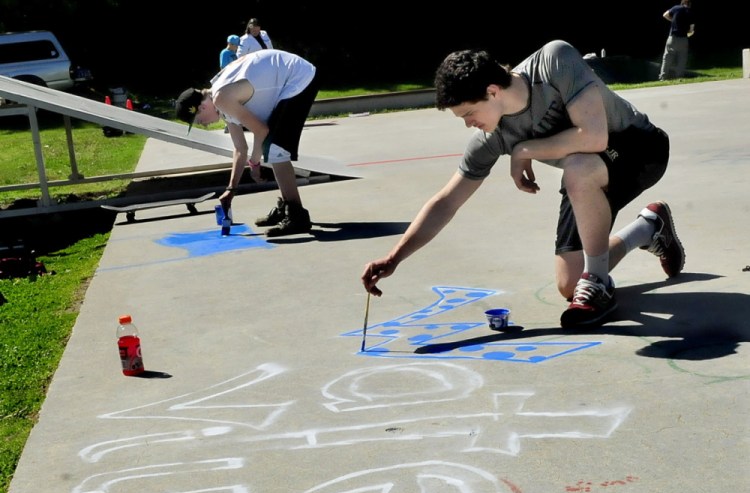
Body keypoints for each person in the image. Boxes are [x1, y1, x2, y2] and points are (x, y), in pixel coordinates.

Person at [360, 41, 686, 329]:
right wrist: (394, 257)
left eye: (469, 113)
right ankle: (649, 228)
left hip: (640, 151)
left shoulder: (553, 62)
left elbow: (595, 136)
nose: (469, 124)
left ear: (492, 91)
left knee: (576, 167)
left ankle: (598, 283)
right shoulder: (491, 138)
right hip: (586, 180)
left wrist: (524, 149)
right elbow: (447, 201)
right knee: (570, 285)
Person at [175, 49, 319, 237]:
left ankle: (297, 216)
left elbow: (261, 130)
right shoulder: (219, 98)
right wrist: (231, 189)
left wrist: (255, 163)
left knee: (275, 148)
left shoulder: (221, 98)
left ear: (201, 107)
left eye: (200, 121)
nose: (205, 124)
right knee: (271, 147)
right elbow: (239, 149)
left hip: (299, 78)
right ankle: (287, 207)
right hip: (288, 76)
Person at [659, 0, 696, 81]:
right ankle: (679, 77)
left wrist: (672, 20)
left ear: (682, 3)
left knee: (667, 58)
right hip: (683, 39)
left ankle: (663, 77)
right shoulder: (691, 12)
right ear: (689, 5)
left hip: (672, 38)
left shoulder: (676, 8)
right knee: (682, 59)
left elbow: (665, 15)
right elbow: (691, 30)